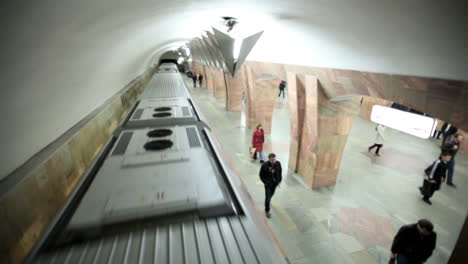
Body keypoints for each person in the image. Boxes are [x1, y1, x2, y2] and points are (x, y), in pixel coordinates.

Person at [259, 153, 282, 218]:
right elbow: (261, 175)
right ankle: (267, 210)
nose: (274, 161)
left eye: (274, 159)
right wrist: (265, 182)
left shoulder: (278, 163)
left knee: (272, 194)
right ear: (269, 159)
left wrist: (279, 180)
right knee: (268, 197)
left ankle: (268, 201)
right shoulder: (264, 165)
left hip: (275, 184)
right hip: (268, 185)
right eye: (272, 160)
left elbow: (280, 171)